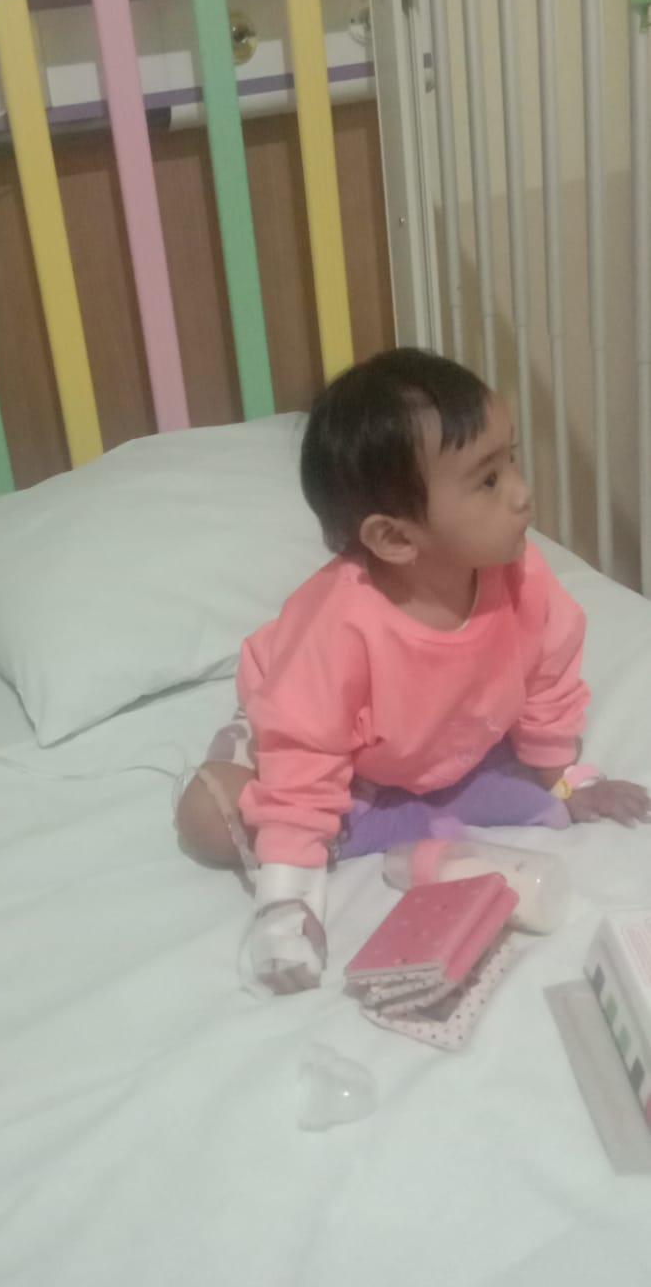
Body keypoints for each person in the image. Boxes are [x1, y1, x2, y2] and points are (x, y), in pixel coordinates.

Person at [176, 349, 651, 994]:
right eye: (488, 480)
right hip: (310, 732)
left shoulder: (523, 578)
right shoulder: (338, 628)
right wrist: (289, 897)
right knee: (208, 818)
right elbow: (304, 750)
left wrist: (564, 778)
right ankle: (352, 805)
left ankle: (397, 809)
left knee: (512, 789)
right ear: (397, 539)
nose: (521, 492)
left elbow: (547, 675)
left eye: (510, 460)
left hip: (424, 743)